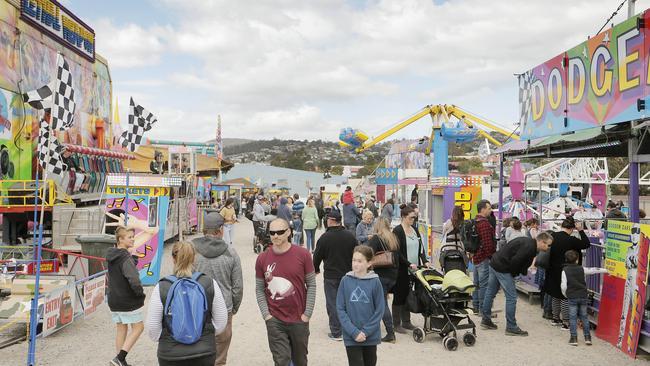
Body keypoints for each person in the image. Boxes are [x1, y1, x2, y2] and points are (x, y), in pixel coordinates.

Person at [146, 242, 228, 366]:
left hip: (170, 355)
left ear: (173, 259)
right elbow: (221, 321)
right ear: (194, 258)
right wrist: (205, 332)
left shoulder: (162, 287)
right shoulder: (209, 283)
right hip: (204, 352)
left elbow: (152, 327)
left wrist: (166, 338)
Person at [255, 219, 316, 366]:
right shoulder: (262, 258)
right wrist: (267, 315)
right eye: (272, 233)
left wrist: (307, 314)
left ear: (288, 232)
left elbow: (312, 284)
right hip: (275, 320)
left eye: (280, 232)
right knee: (281, 361)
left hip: (299, 319)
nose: (275, 236)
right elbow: (259, 288)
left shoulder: (303, 255)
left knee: (300, 361)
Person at [192, 213, 243, 365]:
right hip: (224, 308)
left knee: (196, 349)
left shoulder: (191, 250)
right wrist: (234, 308)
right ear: (220, 229)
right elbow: (237, 286)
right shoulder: (231, 253)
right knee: (220, 355)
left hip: (196, 307)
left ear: (204, 229)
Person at [481, 232, 554, 336]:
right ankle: (511, 327)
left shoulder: (528, 243)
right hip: (503, 267)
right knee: (511, 297)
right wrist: (514, 274)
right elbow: (516, 261)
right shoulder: (529, 247)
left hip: (495, 262)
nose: (548, 247)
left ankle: (486, 320)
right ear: (542, 242)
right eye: (548, 245)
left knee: (490, 292)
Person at [336, 246, 385, 366]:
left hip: (370, 336)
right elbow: (340, 309)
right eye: (354, 260)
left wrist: (366, 332)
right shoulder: (345, 280)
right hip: (351, 336)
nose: (355, 264)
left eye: (360, 261)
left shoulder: (375, 282)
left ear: (369, 263)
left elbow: (380, 310)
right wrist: (354, 332)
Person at [313, 211, 358, 341]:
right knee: (348, 302)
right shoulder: (350, 236)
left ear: (331, 220)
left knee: (333, 303)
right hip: (349, 274)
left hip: (331, 276)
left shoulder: (325, 238)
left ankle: (336, 331)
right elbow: (357, 254)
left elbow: (317, 257)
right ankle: (349, 329)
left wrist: (315, 269)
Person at [107, 226, 145, 366]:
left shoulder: (113, 255)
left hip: (114, 299)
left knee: (121, 328)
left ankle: (120, 362)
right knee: (138, 327)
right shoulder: (125, 258)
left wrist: (132, 256)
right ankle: (120, 358)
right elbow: (134, 279)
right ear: (120, 239)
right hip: (127, 300)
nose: (133, 239)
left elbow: (122, 270)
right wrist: (140, 295)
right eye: (129, 237)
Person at [545, 217, 591, 328]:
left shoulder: (553, 236)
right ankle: (566, 321)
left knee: (555, 294)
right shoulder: (571, 240)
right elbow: (586, 244)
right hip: (566, 270)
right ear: (571, 228)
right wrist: (580, 230)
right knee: (565, 296)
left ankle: (555, 318)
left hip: (552, 269)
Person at [392, 204, 430, 333]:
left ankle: (406, 321)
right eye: (410, 218)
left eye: (414, 218)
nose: (412, 220)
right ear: (403, 217)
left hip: (414, 269)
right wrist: (408, 264)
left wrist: (425, 261)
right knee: (399, 295)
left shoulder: (414, 229)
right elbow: (397, 252)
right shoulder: (397, 231)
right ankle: (396, 323)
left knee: (408, 294)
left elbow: (421, 247)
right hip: (402, 269)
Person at [561, 250, 607, 346]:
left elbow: (564, 286)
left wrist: (565, 294)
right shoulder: (582, 269)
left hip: (572, 296)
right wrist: (606, 270)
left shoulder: (564, 271)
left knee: (573, 318)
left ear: (566, 260)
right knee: (584, 317)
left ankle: (574, 338)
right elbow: (593, 270)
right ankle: (587, 338)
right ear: (577, 260)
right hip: (583, 295)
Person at [365, 217, 400, 343]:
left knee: (382, 303)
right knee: (379, 301)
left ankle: (390, 333)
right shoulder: (393, 238)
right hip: (392, 275)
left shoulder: (376, 239)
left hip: (381, 275)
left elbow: (367, 253)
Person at [471, 200, 497, 315]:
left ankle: (475, 307)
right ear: (483, 209)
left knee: (476, 284)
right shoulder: (485, 224)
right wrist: (492, 256)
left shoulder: (474, 221)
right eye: (489, 208)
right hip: (483, 258)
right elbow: (488, 244)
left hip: (475, 257)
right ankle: (483, 310)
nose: (490, 210)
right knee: (484, 285)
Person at [439, 206, 467, 272]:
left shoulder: (448, 223)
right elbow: (464, 237)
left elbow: (443, 235)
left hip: (447, 250)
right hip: (459, 250)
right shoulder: (463, 224)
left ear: (453, 213)